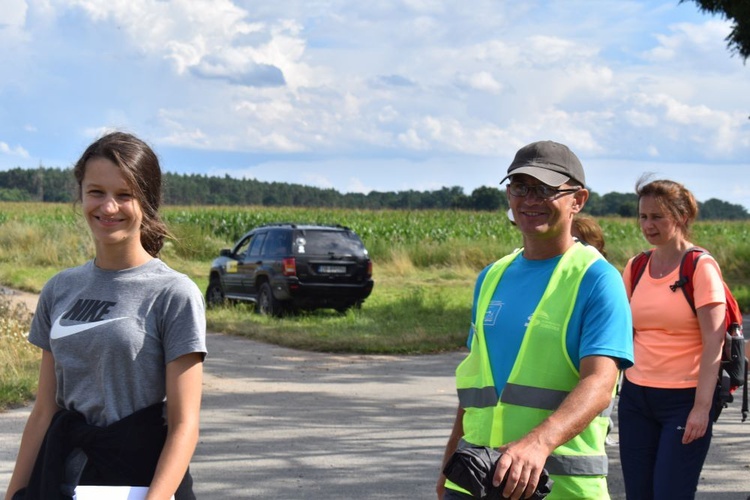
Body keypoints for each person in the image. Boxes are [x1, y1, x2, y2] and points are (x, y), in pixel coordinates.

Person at [4, 132, 207, 500]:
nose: (108, 207)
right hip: (61, 477)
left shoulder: (173, 294)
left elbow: (184, 424)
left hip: (140, 480)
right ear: (80, 195)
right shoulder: (59, 289)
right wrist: (15, 491)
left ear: (147, 201)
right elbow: (44, 410)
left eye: (124, 195)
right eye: (96, 192)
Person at [437, 140, 634, 500]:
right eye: (520, 188)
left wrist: (537, 443)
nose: (530, 200)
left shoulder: (596, 279)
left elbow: (600, 384)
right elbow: (474, 388)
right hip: (475, 479)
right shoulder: (491, 277)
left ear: (578, 200)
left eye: (545, 190)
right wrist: (449, 462)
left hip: (558, 487)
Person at [618, 178, 725, 499]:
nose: (647, 225)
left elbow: (714, 343)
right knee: (639, 493)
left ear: (681, 218)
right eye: (643, 217)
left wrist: (701, 408)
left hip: (684, 400)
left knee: (670, 492)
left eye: (657, 217)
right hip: (636, 397)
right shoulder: (636, 266)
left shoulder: (699, 267)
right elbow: (621, 332)